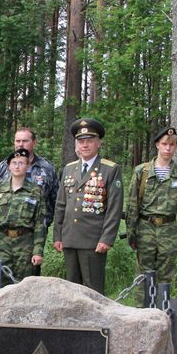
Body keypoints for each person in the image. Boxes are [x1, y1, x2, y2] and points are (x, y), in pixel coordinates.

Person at [53, 118, 123, 295]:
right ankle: (73, 323)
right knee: (72, 288)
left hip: (93, 239)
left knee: (93, 290)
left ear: (98, 143)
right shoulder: (69, 169)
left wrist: (106, 239)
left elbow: (114, 208)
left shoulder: (110, 169)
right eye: (81, 141)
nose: (85, 145)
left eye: (89, 140)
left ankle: (94, 324)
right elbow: (61, 204)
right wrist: (57, 235)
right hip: (69, 237)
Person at [125, 126, 177, 304]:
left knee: (165, 274)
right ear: (157, 145)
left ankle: (162, 312)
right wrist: (131, 233)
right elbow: (132, 204)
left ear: (176, 147)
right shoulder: (142, 171)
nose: (168, 148)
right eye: (164, 144)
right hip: (145, 227)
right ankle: (141, 312)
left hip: (169, 230)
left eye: (172, 145)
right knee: (143, 275)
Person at [0, 148, 46, 286]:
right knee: (1, 285)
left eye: (21, 163)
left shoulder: (35, 191)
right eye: (14, 163)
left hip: (25, 244)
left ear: (27, 166)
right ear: (9, 166)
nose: (17, 166)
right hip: (2, 244)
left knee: (24, 285)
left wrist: (37, 251)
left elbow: (40, 223)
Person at [0, 128, 58, 232]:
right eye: (18, 141)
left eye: (25, 141)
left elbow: (55, 199)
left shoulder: (46, 168)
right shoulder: (3, 166)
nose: (20, 144)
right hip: (4, 230)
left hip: (36, 229)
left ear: (34, 142)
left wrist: (46, 222)